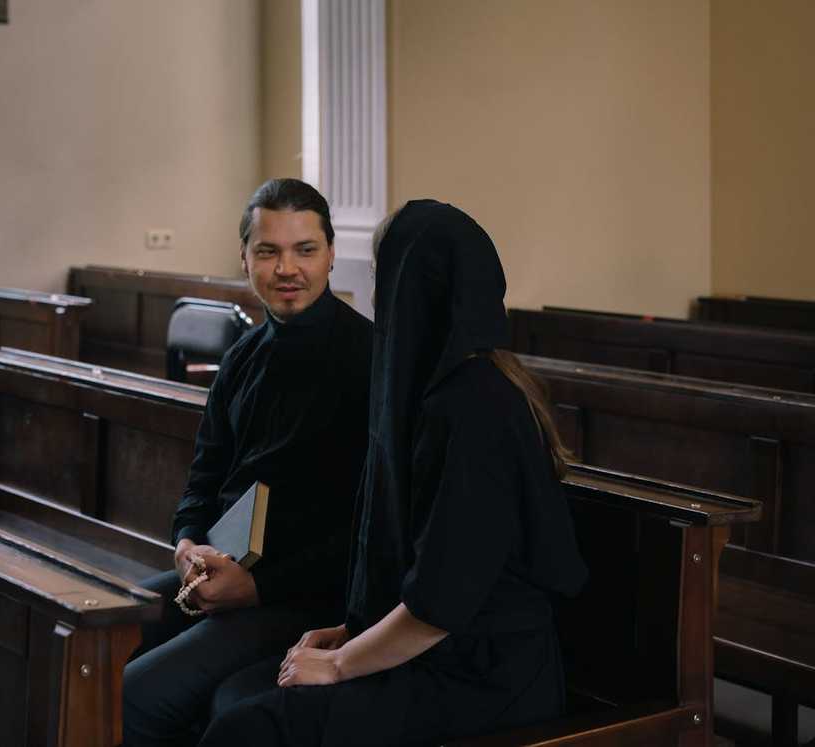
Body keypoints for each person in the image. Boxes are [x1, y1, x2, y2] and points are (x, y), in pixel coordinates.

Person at [198, 200, 589, 746]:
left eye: (383, 276)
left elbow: (445, 597)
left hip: (483, 676)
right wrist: (350, 632)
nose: (378, 295)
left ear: (413, 286)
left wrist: (341, 664)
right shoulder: (435, 391)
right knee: (236, 698)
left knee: (248, 728)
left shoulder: (477, 407)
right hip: (436, 652)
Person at [121, 178, 374, 747]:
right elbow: (204, 478)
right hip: (223, 569)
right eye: (268, 251)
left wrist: (256, 590)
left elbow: (366, 530)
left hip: (309, 596)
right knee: (93, 634)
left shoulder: (369, 360)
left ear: (331, 254)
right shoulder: (241, 357)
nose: (288, 268)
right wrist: (187, 547)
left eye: (304, 250)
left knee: (137, 692)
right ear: (245, 259)